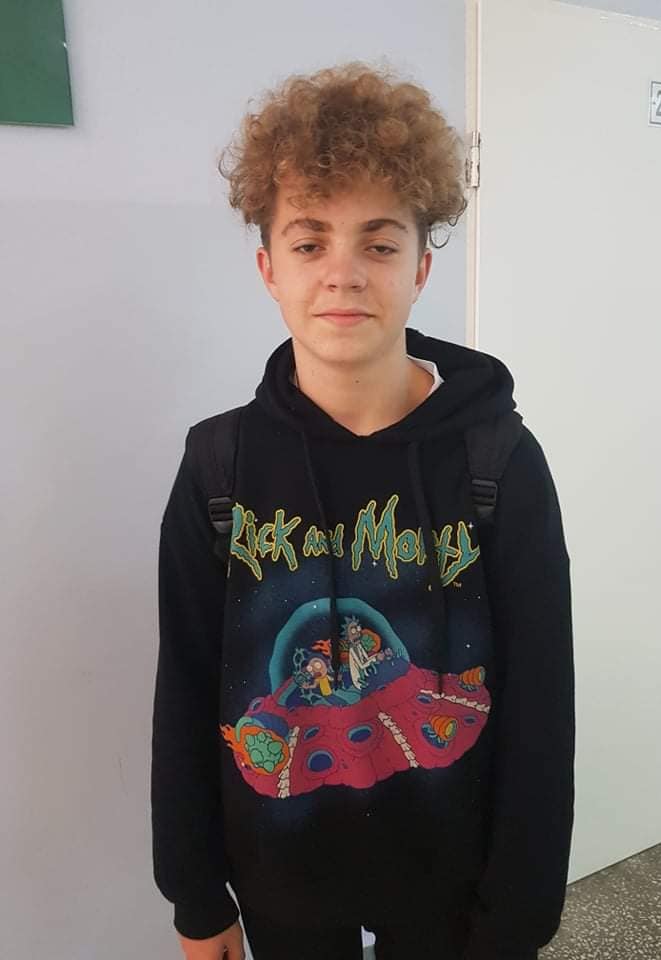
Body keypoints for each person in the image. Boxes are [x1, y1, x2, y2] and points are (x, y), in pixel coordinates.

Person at [151, 60, 575, 960]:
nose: (343, 274)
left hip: (455, 889)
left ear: (421, 267)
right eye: (310, 244)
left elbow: (542, 708)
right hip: (280, 879)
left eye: (378, 245)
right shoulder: (218, 467)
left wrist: (520, 919)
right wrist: (195, 893)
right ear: (268, 268)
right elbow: (184, 686)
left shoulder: (498, 462)